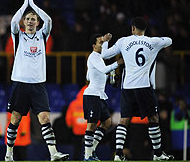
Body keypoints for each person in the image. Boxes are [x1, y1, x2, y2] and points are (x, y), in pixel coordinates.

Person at [5, 0, 69, 161]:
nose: (31, 21)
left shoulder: (42, 35)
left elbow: (49, 21)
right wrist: (25, 5)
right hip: (20, 82)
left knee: (45, 117)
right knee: (16, 119)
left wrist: (33, 5)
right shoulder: (18, 36)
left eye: (33, 19)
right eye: (28, 19)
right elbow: (13, 22)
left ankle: (53, 153)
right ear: (24, 22)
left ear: (37, 22)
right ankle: (9, 154)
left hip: (38, 84)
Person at [101, 17, 174, 161]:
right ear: (145, 30)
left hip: (127, 87)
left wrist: (105, 41)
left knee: (124, 120)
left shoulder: (123, 41)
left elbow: (105, 54)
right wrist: (158, 40)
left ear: (133, 28)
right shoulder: (153, 42)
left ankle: (119, 154)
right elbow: (169, 40)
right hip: (144, 87)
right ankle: (158, 154)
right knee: (153, 117)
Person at [83, 33, 123, 161]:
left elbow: (89, 77)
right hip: (92, 95)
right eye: (100, 42)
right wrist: (117, 63)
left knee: (107, 122)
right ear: (94, 46)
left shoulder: (98, 58)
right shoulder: (94, 57)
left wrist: (109, 76)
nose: (102, 45)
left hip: (99, 95)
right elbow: (103, 70)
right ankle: (87, 156)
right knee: (91, 125)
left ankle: (92, 149)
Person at [65, 85, 88, 160]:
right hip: (88, 131)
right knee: (88, 150)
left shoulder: (73, 104)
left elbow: (68, 117)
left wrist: (69, 125)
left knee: (76, 150)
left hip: (76, 131)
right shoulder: (90, 103)